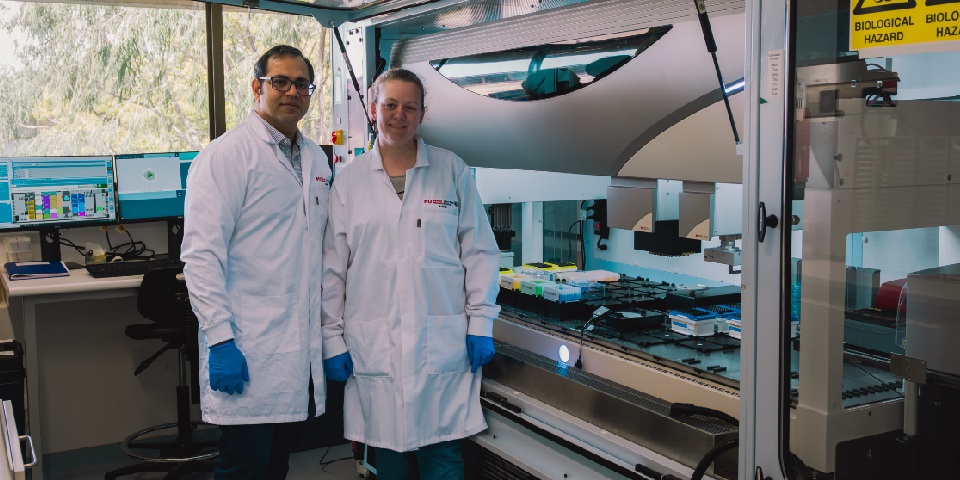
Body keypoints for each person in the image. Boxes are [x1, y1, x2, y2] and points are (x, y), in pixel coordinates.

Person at [321, 68, 500, 480]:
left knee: (444, 456)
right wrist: (331, 338)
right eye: (390, 105)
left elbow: (479, 251)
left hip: (441, 340)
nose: (398, 115)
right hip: (375, 344)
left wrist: (481, 323)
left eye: (409, 107)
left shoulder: (451, 170)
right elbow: (333, 271)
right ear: (373, 109)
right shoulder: (349, 182)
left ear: (422, 114)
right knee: (390, 459)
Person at [181, 45, 330, 479]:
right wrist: (220, 340)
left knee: (279, 459)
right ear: (256, 87)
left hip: (299, 347)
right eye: (279, 82)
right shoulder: (226, 155)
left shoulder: (317, 159)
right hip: (247, 344)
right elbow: (201, 256)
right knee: (243, 465)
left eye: (301, 84)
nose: (292, 92)